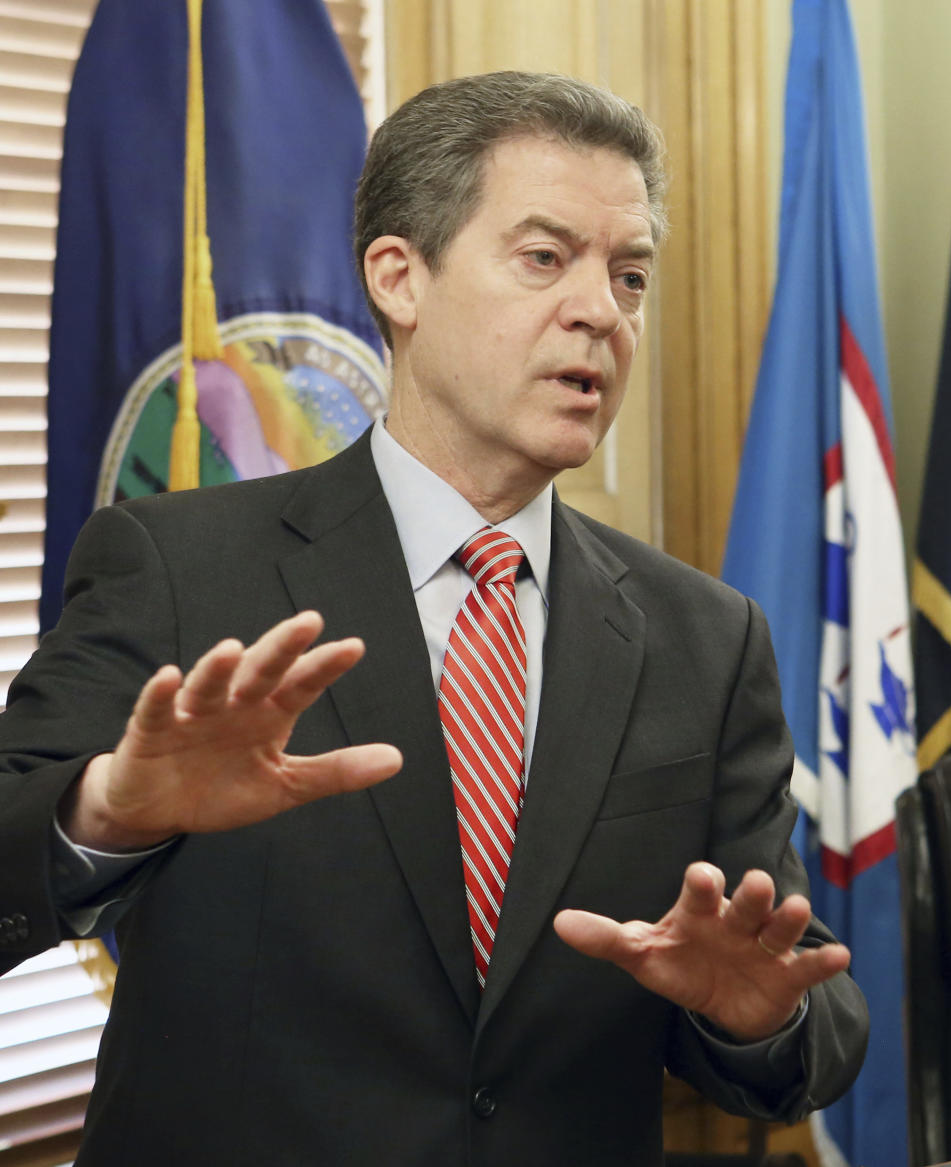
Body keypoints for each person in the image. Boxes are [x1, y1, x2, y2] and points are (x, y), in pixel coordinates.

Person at [0, 72, 867, 1165]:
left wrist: (756, 1014)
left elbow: (807, 1013)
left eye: (630, 274)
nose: (602, 311)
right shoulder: (178, 567)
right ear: (400, 279)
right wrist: (107, 813)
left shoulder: (707, 636)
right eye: (546, 258)